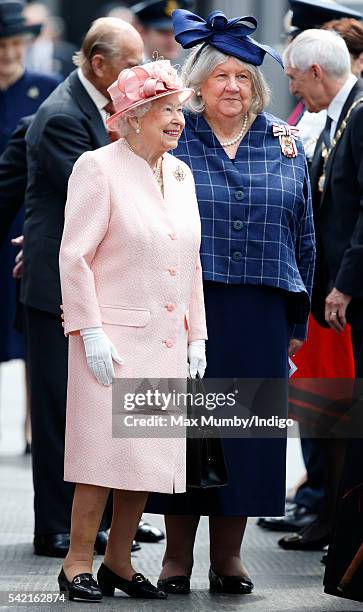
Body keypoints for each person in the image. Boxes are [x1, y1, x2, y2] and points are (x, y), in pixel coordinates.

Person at [146, 9, 316, 595]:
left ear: (258, 87)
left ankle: (229, 559)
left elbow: (304, 233)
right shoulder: (172, 138)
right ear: (197, 85)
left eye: (244, 77)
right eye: (221, 76)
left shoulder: (285, 141)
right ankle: (175, 558)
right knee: (187, 432)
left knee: (247, 436)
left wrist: (298, 315)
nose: (233, 87)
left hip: (262, 309)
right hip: (190, 306)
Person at [58, 58, 207, 602]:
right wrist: (89, 330)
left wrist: (197, 336)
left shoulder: (182, 173)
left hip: (166, 339)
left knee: (143, 458)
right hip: (113, 341)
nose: (177, 119)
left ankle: (118, 563)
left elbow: (189, 260)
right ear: (135, 116)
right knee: (100, 457)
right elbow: (74, 258)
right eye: (166, 110)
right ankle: (76, 562)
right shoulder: (97, 167)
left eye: (178, 110)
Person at [20, 16, 145, 558]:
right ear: (100, 64)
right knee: (55, 413)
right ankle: (55, 526)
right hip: (59, 292)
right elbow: (96, 197)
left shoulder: (99, 107)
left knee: (99, 412)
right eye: (132, 62)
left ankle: (106, 523)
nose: (140, 72)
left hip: (98, 285)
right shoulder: (63, 117)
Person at [259, 0, 362, 536]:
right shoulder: (342, 112)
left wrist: (344, 283)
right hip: (336, 284)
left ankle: (339, 521)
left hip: (350, 288)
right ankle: (334, 520)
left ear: (317, 72)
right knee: (337, 412)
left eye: (297, 80)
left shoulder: (359, 111)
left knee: (345, 410)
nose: (294, 91)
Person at [0, 0, 59, 453]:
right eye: (1, 46)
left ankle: (31, 428)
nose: (7, 54)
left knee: (31, 330)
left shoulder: (45, 89)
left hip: (26, 223)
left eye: (13, 44)